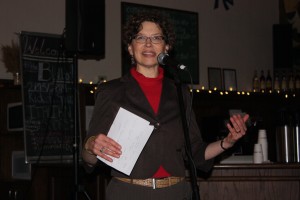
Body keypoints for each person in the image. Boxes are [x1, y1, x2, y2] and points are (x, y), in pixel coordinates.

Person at [82, 11, 249, 200]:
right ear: (130, 47)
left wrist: (227, 142)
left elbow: (195, 151)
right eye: (140, 37)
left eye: (156, 38)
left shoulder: (180, 92)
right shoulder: (111, 91)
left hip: (176, 192)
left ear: (166, 47)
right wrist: (91, 145)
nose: (148, 44)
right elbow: (88, 158)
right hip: (129, 193)